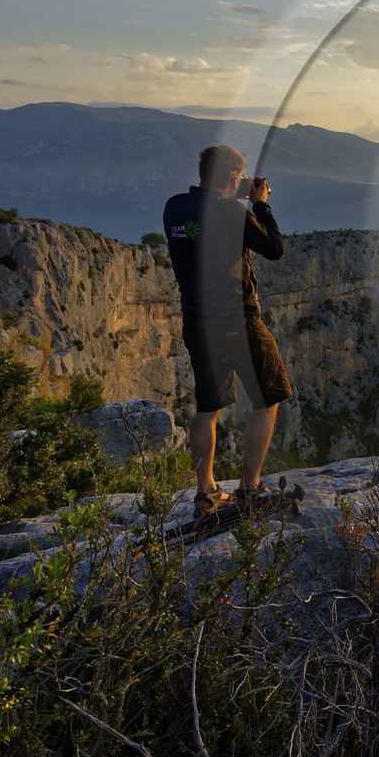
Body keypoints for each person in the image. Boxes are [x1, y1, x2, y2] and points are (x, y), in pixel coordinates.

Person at [163, 145, 292, 515]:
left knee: (208, 407)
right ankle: (249, 488)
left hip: (196, 322)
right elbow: (275, 248)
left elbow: (205, 218)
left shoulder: (174, 208)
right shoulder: (231, 211)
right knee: (267, 399)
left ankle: (205, 493)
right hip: (238, 320)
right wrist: (260, 203)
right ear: (234, 178)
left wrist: (234, 193)